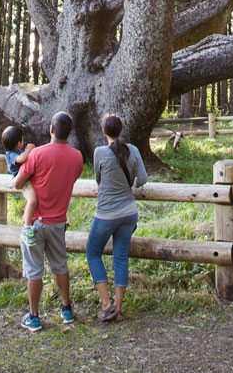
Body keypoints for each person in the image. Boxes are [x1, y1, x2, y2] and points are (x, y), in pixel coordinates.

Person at [14, 111, 84, 333]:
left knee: (34, 270)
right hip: (58, 222)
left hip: (34, 222)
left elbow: (18, 183)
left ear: (51, 129)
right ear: (69, 132)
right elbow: (70, 179)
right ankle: (66, 309)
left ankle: (34, 316)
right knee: (60, 265)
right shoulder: (77, 157)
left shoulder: (37, 154)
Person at [86, 113, 148, 323]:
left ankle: (106, 305)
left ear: (104, 131)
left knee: (93, 252)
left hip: (106, 213)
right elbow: (143, 179)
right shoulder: (134, 150)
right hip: (129, 213)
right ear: (121, 129)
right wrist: (133, 185)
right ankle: (118, 308)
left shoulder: (100, 152)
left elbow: (98, 179)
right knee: (120, 258)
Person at [1, 124, 41, 245]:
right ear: (18, 143)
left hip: (28, 179)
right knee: (33, 200)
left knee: (38, 198)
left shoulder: (16, 151)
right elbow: (21, 159)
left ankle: (36, 220)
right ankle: (27, 228)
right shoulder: (11, 154)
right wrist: (29, 150)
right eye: (22, 140)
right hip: (23, 182)